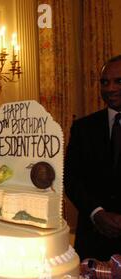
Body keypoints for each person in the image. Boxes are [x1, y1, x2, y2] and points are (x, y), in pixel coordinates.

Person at [65, 55, 121, 260]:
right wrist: (96, 212)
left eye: (118, 81)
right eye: (105, 82)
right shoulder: (83, 128)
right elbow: (70, 178)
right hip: (93, 239)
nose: (110, 88)